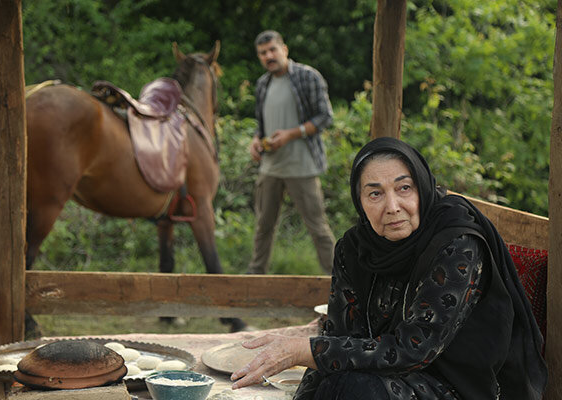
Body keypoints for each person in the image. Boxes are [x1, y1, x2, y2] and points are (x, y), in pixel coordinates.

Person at [231, 137, 547, 399]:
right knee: (332, 384)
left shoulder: (457, 242)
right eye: (375, 193)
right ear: (360, 201)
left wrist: (302, 351)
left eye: (404, 188)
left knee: (355, 388)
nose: (392, 206)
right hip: (380, 372)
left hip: (456, 385)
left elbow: (414, 350)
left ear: (422, 187)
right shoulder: (354, 249)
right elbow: (340, 337)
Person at [247, 30, 335, 274]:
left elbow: (325, 117)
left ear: (284, 50)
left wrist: (290, 134)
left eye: (273, 50)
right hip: (271, 167)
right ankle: (254, 280)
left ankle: (340, 282)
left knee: (317, 228)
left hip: (302, 166)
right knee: (263, 228)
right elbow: (261, 124)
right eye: (263, 53)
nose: (269, 56)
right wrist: (256, 141)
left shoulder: (308, 77)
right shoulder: (262, 84)